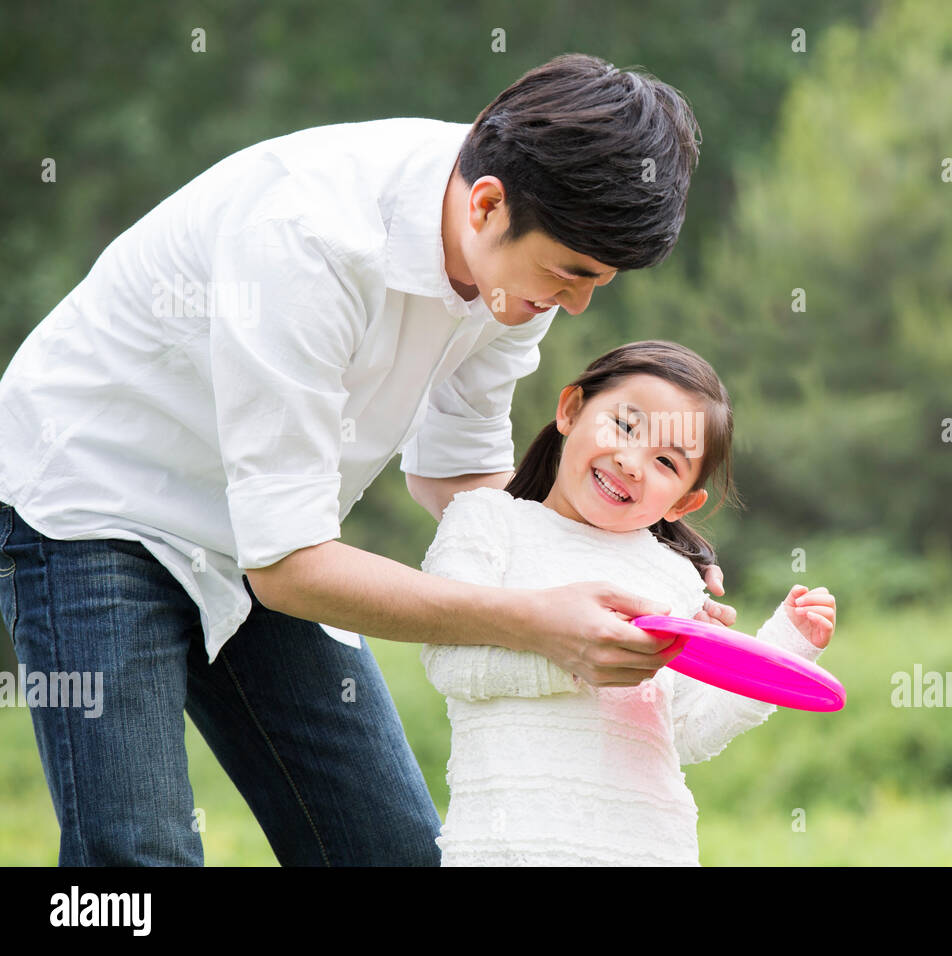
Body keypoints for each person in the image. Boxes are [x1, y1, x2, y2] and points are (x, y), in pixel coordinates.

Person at [0, 54, 732, 866]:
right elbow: (288, 570)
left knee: (392, 853)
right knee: (137, 860)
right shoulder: (306, 239)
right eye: (572, 274)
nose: (577, 303)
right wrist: (537, 621)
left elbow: (457, 475)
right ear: (487, 205)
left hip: (273, 533)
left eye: (597, 281)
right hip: (95, 503)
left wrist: (627, 578)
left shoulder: (520, 258)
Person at [419, 341, 838, 865]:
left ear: (684, 501)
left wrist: (786, 646)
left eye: (666, 460)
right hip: (510, 847)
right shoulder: (488, 522)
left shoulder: (672, 577)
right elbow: (450, 662)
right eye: (624, 426)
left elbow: (686, 729)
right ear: (571, 410)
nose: (632, 461)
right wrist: (578, 658)